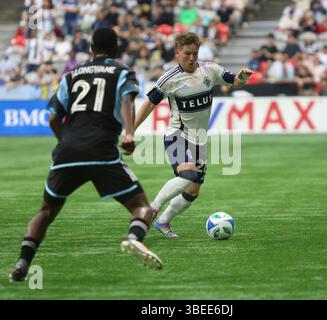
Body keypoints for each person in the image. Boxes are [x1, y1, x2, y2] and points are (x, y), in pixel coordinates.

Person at [9, 28, 163, 282]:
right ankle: (134, 239)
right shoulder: (122, 72)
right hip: (101, 150)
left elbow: (53, 117)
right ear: (116, 49)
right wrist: (128, 133)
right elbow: (127, 101)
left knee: (46, 211)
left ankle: (21, 264)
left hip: (67, 151)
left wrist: (66, 143)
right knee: (141, 207)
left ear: (91, 49)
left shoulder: (71, 75)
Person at [134, 32, 252, 238]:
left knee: (193, 190)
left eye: (195, 53)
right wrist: (130, 129)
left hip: (199, 139)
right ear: (177, 53)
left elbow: (234, 82)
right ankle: (152, 209)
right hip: (177, 134)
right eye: (187, 53)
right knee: (187, 174)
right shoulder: (169, 79)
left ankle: (163, 222)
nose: (192, 58)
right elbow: (149, 103)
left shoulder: (210, 70)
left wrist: (242, 77)